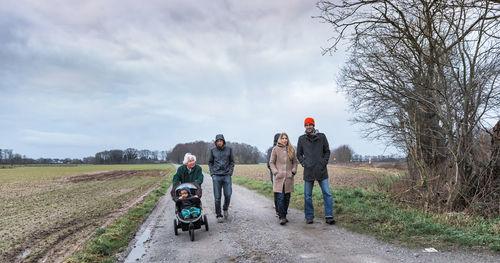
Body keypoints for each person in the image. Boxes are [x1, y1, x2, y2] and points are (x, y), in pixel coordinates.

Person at [297, 117, 335, 225]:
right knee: (308, 195)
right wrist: (304, 163)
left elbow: (327, 151)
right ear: (304, 126)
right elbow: (298, 154)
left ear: (314, 125)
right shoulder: (301, 139)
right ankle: (309, 216)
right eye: (306, 125)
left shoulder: (321, 137)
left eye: (310, 124)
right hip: (308, 170)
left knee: (327, 193)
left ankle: (329, 216)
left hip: (321, 170)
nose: (308, 127)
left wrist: (323, 163)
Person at [269, 133, 298, 225]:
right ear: (280, 139)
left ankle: (284, 214)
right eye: (283, 138)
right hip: (279, 178)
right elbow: (271, 162)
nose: (284, 140)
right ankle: (282, 217)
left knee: (287, 198)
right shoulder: (275, 149)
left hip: (289, 178)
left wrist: (293, 170)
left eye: (286, 138)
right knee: (280, 198)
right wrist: (275, 172)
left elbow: (295, 162)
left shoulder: (291, 149)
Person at [208, 134, 235, 223]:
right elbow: (210, 162)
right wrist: (212, 173)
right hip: (216, 176)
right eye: (217, 141)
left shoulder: (229, 150)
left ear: (223, 141)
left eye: (221, 141)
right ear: (216, 142)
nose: (219, 142)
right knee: (217, 197)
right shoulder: (213, 151)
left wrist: (230, 172)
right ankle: (219, 215)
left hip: (226, 175)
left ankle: (225, 208)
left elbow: (232, 162)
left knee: (228, 194)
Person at [267, 133, 281, 217]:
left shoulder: (286, 149)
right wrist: (276, 172)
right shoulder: (271, 150)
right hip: (275, 174)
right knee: (277, 192)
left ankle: (281, 208)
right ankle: (278, 210)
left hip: (284, 174)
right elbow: (269, 164)